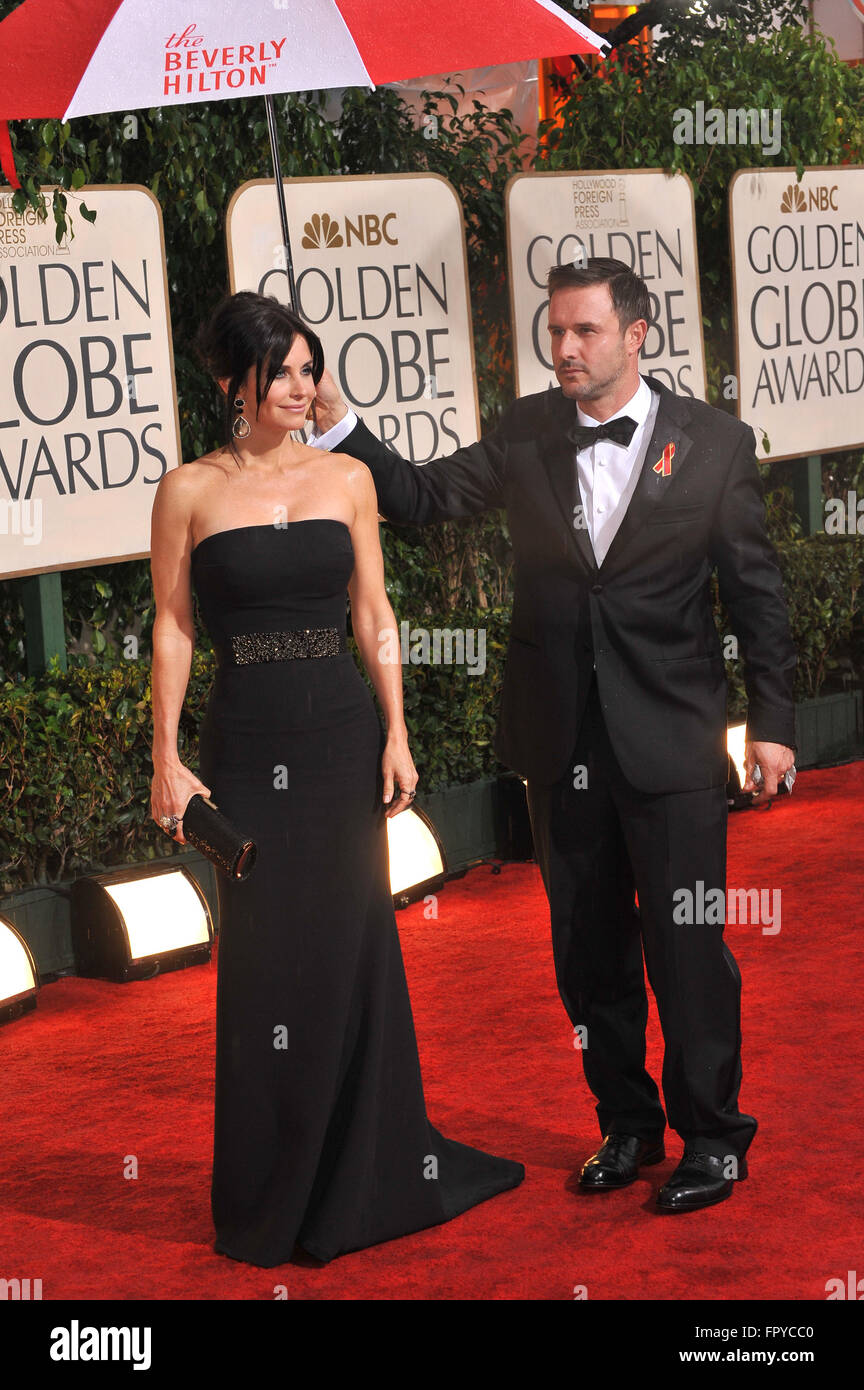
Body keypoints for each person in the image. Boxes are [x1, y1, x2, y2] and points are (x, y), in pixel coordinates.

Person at [309, 257, 797, 1213]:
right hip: (562, 744)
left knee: (689, 948)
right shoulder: (528, 432)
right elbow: (420, 497)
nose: (565, 349)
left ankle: (714, 1138)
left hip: (674, 739)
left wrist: (775, 724)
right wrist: (335, 416)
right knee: (587, 951)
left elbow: (757, 593)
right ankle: (625, 1125)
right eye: (555, 332)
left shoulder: (714, 445)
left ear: (636, 335)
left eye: (584, 332)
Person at [147, 290, 524, 1268]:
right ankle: (274, 1188)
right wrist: (166, 754)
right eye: (283, 372)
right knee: (267, 959)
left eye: (310, 370)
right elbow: (176, 626)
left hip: (337, 735)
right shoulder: (188, 490)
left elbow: (372, 610)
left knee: (354, 948)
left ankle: (368, 1169)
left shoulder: (349, 477)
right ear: (235, 381)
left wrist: (396, 729)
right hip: (245, 741)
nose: (302, 388)